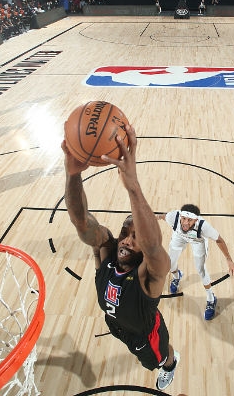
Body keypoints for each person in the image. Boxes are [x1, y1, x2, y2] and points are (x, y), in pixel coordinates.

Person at [62, 125, 180, 391]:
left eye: (135, 237)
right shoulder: (107, 249)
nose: (127, 240)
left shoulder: (150, 274)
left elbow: (153, 246)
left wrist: (133, 187)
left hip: (145, 336)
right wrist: (72, 174)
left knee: (160, 358)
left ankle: (171, 364)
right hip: (115, 323)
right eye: (125, 233)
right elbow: (81, 221)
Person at [156, 204, 234, 320]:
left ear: (196, 220)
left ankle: (211, 298)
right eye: (184, 218)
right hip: (179, 237)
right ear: (180, 216)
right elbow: (163, 216)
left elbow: (219, 240)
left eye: (190, 220)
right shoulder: (173, 217)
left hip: (198, 241)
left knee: (201, 270)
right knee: (169, 264)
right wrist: (157, 217)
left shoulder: (204, 227)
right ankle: (177, 276)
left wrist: (229, 260)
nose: (185, 223)